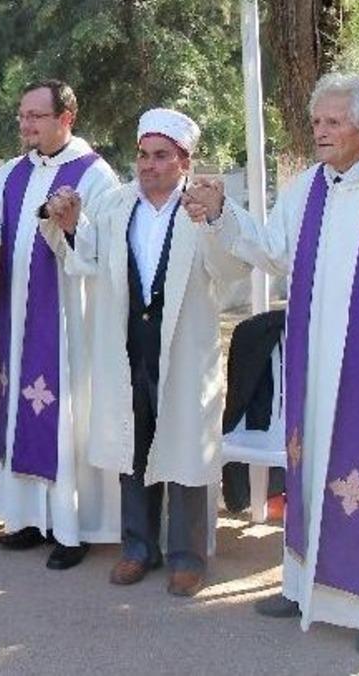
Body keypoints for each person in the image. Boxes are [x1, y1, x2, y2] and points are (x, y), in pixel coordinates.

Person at [189, 72, 359, 656]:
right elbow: (274, 250)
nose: (320, 132)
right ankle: (304, 586)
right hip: (317, 369)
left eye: (332, 123)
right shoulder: (310, 185)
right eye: (317, 122)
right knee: (311, 470)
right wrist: (225, 210)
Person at [69, 108, 249, 596]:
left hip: (185, 349)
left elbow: (234, 268)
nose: (148, 165)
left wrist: (214, 219)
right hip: (130, 343)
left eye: (161, 156)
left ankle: (187, 557)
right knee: (136, 445)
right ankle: (137, 548)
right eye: (143, 155)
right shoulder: (115, 204)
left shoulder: (204, 206)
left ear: (185, 160)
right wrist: (68, 224)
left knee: (186, 447)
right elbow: (86, 252)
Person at [0, 79, 121, 570]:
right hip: (19, 317)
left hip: (68, 321)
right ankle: (27, 519)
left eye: (35, 116)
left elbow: (105, 248)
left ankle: (73, 527)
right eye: (22, 115)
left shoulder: (95, 175)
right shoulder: (12, 171)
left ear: (66, 118)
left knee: (64, 414)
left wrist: (73, 227)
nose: (24, 124)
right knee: (20, 409)